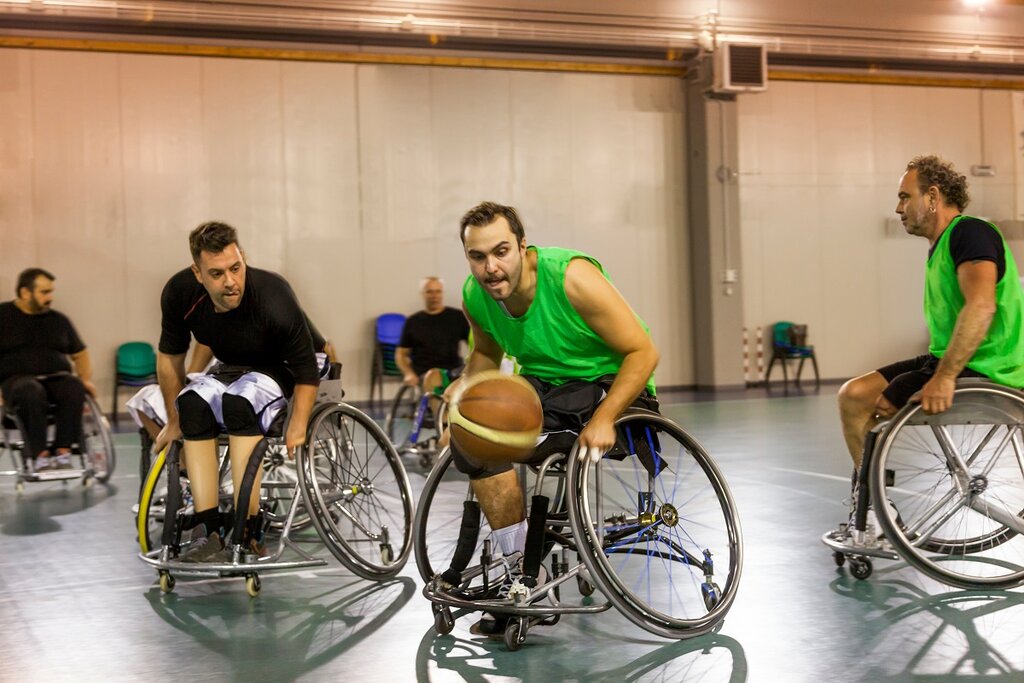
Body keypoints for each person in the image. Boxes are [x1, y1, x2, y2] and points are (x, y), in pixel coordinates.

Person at [446, 201, 659, 635]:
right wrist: (464, 390)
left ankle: (526, 574)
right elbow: (487, 352)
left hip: (609, 384)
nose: (490, 267)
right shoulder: (475, 295)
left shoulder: (572, 278)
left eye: (501, 251)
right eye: (478, 256)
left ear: (523, 247)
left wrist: (605, 416)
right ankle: (525, 575)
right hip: (544, 388)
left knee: (545, 437)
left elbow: (644, 352)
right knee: (471, 439)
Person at [837, 155, 1024, 532]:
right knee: (854, 395)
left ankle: (872, 509)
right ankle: (873, 502)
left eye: (905, 196)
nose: (898, 207)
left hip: (990, 367)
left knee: (880, 405)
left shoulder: (970, 233)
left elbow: (982, 305)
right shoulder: (940, 247)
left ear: (933, 196)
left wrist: (945, 377)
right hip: (951, 358)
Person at [153, 221, 325, 561]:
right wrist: (174, 421)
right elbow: (170, 360)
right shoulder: (179, 294)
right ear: (198, 273)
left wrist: (299, 422)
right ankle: (209, 531)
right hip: (235, 364)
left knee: (240, 403)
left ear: (243, 257)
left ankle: (249, 527)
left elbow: (306, 368)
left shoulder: (272, 294)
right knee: (191, 404)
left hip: (289, 364)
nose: (230, 282)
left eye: (236, 268)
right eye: (216, 274)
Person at [0, 268, 95, 474]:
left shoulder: (59, 320)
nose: (50, 297)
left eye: (51, 292)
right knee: (31, 391)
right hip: (17, 381)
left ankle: (63, 451)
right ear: (25, 293)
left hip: (56, 378)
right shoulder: (3, 316)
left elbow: (80, 352)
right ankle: (39, 455)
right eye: (44, 292)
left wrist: (85, 379)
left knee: (74, 386)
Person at [395, 276, 470, 415]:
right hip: (424, 372)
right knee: (435, 377)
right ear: (423, 294)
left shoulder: (457, 317)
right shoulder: (413, 322)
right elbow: (400, 354)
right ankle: (442, 420)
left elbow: (474, 344)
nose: (434, 296)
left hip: (453, 371)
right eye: (430, 292)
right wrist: (408, 373)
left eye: (438, 291)